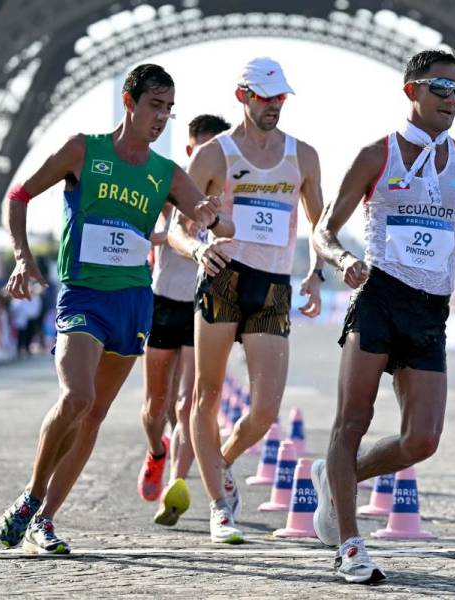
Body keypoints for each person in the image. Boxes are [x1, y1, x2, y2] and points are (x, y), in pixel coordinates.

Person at [0, 64, 234, 555]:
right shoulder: (85, 150)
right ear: (130, 101)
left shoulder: (165, 172)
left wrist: (211, 216)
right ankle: (30, 497)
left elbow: (201, 213)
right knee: (76, 397)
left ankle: (46, 519)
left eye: (169, 109)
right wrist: (22, 257)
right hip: (83, 295)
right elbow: (18, 196)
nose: (161, 117)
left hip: (133, 302)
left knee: (95, 414)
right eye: (154, 105)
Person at [310, 49, 455, 583]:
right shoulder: (375, 155)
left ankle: (336, 478)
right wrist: (343, 260)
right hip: (380, 298)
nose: (451, 100)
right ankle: (349, 547)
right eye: (440, 88)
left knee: (422, 441)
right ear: (411, 90)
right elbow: (323, 229)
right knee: (351, 422)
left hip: (431, 310)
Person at [177, 57, 324, 544]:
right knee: (206, 396)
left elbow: (321, 227)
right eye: (265, 97)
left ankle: (218, 465)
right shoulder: (214, 155)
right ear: (243, 97)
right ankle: (221, 506)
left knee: (264, 409)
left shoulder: (303, 156)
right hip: (224, 277)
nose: (274, 106)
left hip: (274, 284)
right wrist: (200, 247)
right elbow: (177, 227)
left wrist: (317, 273)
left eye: (280, 97)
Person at [136, 115, 232, 526]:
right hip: (163, 302)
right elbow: (139, 231)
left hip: (199, 302)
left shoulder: (225, 195)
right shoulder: (167, 186)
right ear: (191, 150)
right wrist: (173, 236)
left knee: (188, 401)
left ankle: (175, 487)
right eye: (203, 148)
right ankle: (156, 452)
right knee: (155, 408)